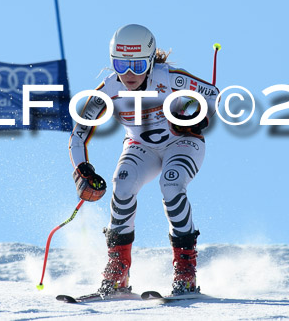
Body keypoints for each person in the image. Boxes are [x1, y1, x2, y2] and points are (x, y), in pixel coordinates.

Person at [68, 23, 219, 297]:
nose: (128, 75)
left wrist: (200, 118)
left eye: (137, 67)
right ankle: (118, 271)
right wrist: (82, 170)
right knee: (122, 185)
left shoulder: (171, 78)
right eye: (120, 65)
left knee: (171, 185)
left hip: (181, 143)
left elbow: (212, 94)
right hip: (141, 146)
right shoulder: (109, 89)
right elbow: (78, 134)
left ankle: (186, 271)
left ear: (150, 62)